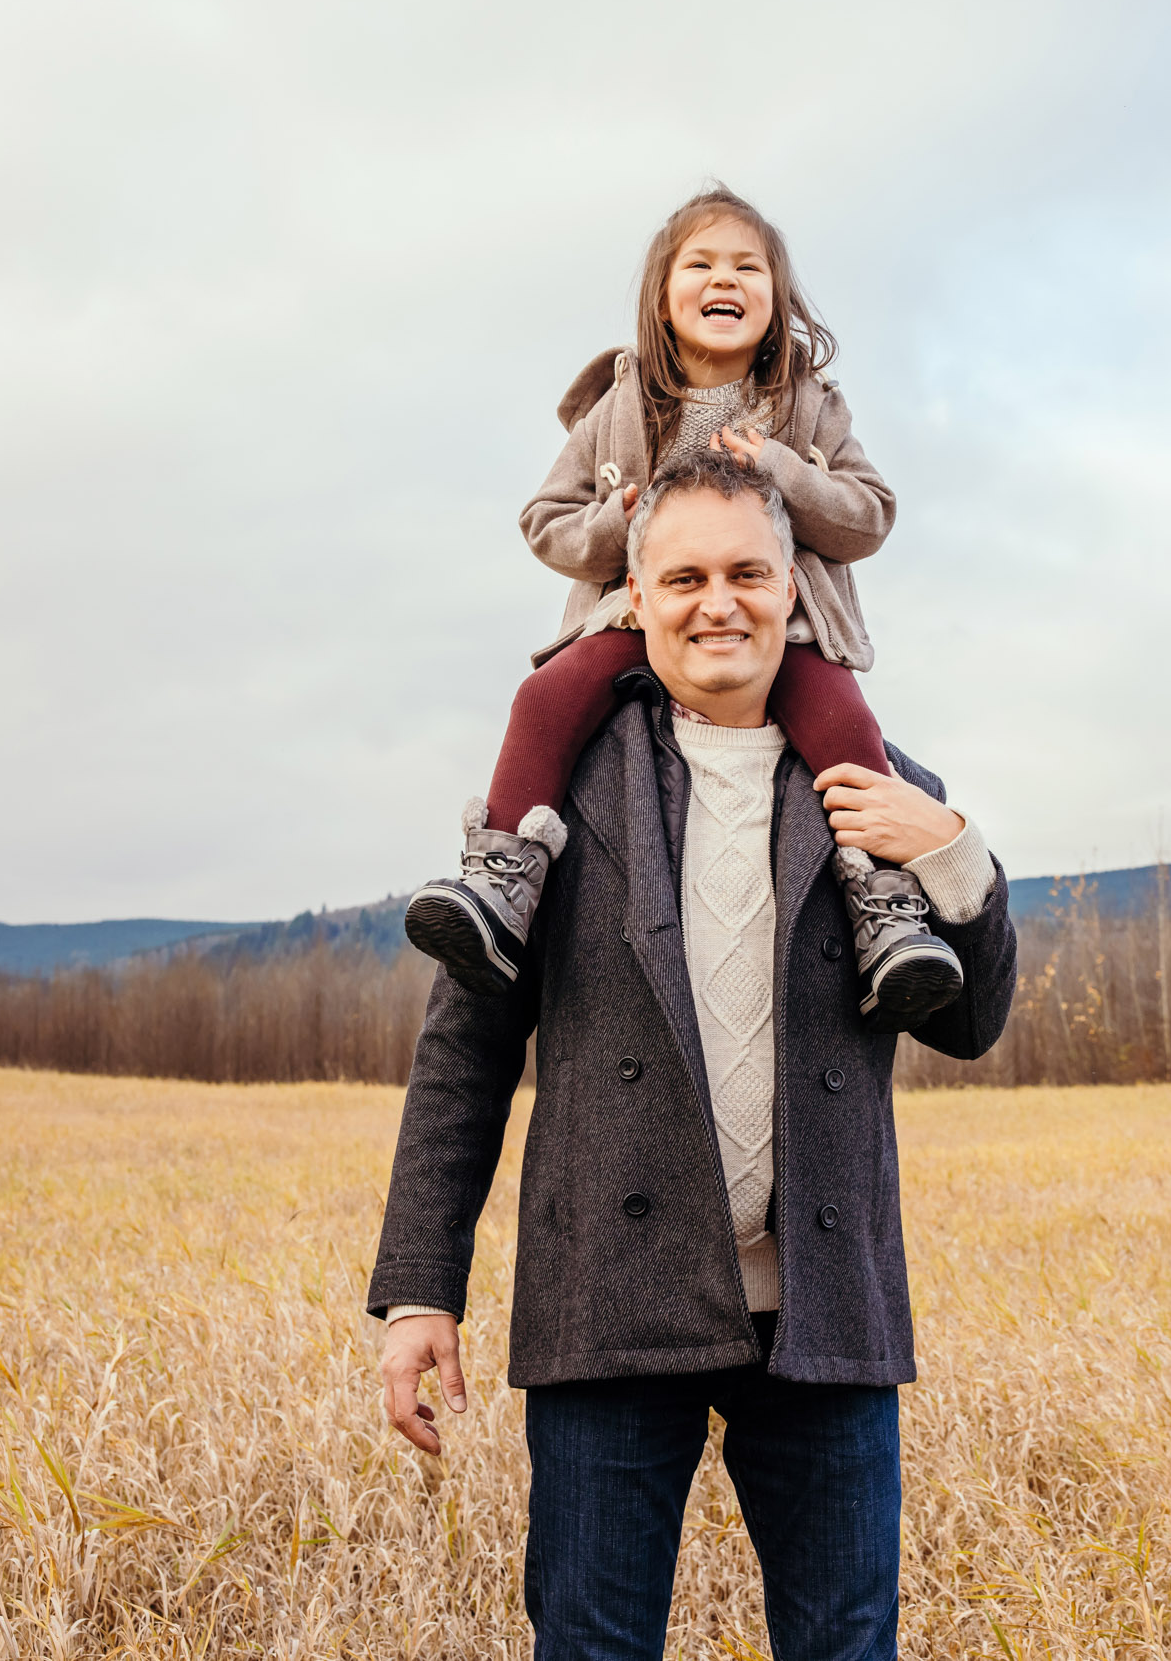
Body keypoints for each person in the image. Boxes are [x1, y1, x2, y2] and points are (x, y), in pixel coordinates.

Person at [370, 451, 1017, 1660]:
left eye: (745, 573)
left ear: (790, 591)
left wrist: (956, 855)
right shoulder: (554, 794)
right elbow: (462, 1058)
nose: (717, 601)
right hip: (610, 1304)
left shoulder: (881, 789)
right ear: (636, 593)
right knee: (591, 1645)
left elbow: (971, 1023)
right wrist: (420, 1290)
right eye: (683, 577)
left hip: (821, 1315)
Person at [405, 183, 967, 1033]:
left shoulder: (809, 406)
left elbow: (870, 514)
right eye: (700, 264)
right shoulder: (617, 409)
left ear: (775, 304)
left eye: (748, 266)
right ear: (663, 300)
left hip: (783, 628)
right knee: (546, 698)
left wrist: (784, 468)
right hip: (637, 623)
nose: (724, 278)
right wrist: (618, 520)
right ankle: (503, 878)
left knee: (844, 720)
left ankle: (882, 909)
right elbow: (542, 520)